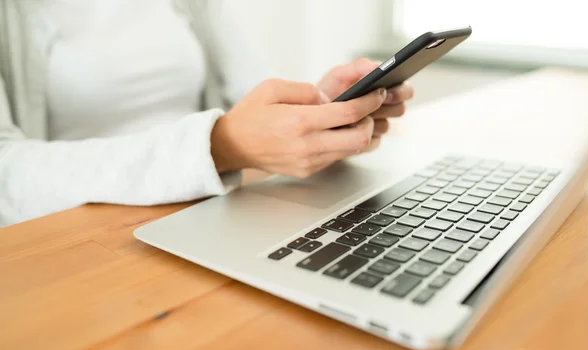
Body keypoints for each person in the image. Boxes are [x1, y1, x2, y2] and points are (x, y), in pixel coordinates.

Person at [0, 0, 414, 227]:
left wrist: (316, 107)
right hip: (81, 230)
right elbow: (7, 170)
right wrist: (217, 146)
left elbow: (251, 95)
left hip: (204, 209)